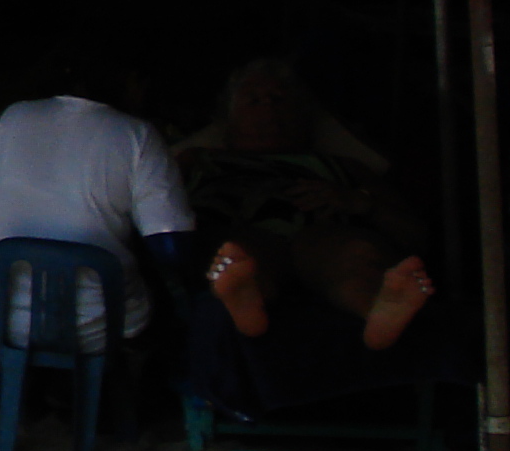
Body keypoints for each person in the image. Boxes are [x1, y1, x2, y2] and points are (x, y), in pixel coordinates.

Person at [179, 59, 434, 351]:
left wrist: (359, 203)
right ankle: (245, 299)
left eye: (278, 99)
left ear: (302, 114)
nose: (268, 108)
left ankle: (378, 313)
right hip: (237, 233)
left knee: (353, 253)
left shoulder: (346, 167)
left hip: (324, 237)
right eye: (253, 100)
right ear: (228, 118)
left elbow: (415, 234)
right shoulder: (195, 160)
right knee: (239, 252)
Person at [0, 77, 193, 354]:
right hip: (97, 326)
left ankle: (25, 385)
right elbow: (171, 249)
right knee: (172, 300)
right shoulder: (138, 134)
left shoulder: (14, 116)